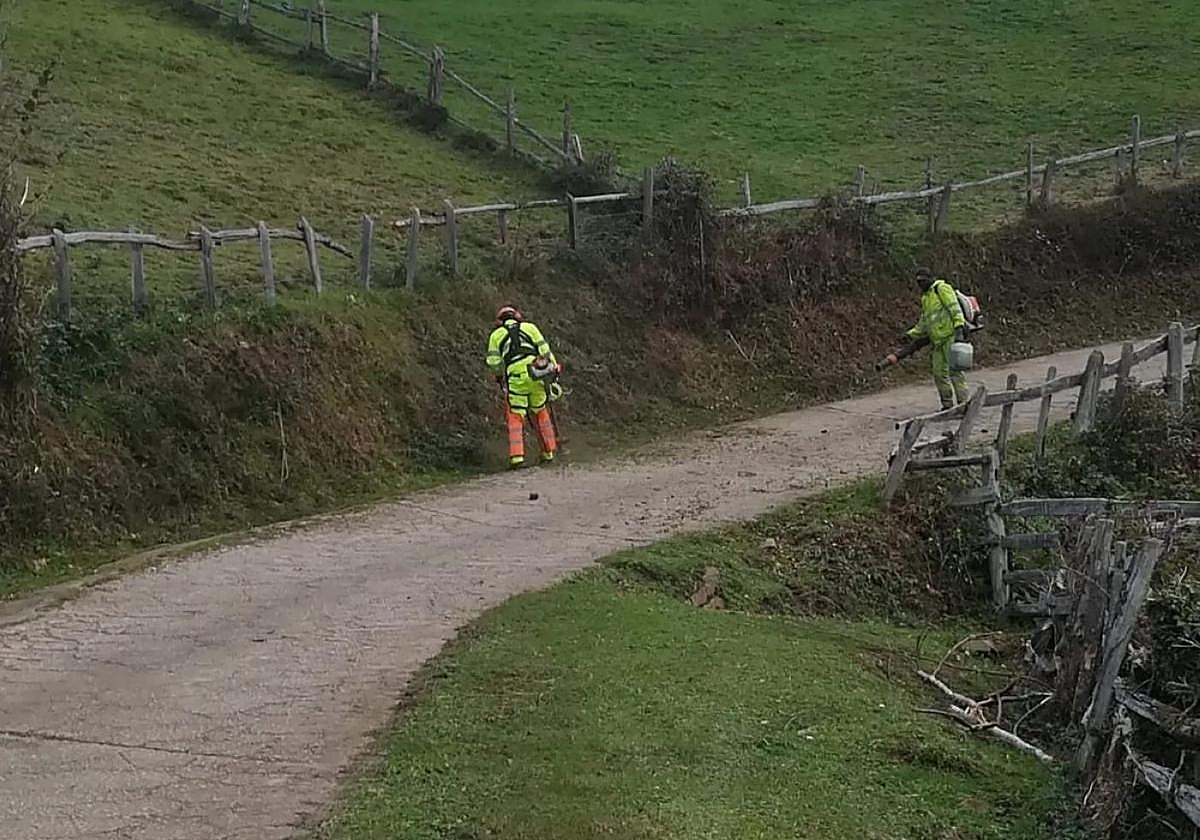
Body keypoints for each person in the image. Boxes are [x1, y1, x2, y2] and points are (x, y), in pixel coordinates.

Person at [486, 305, 560, 468]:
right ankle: (548, 452)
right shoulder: (530, 327)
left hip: (516, 377)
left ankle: (517, 457)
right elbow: (545, 351)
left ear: (499, 321)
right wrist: (554, 369)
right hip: (536, 373)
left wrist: (499, 376)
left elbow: (494, 362)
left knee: (515, 416)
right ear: (517, 316)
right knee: (540, 412)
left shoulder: (496, 335)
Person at [905, 267, 970, 409]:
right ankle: (947, 405)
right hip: (937, 341)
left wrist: (959, 327)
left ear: (930, 278)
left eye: (922, 281)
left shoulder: (941, 288)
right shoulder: (926, 297)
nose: (920, 284)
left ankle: (964, 405)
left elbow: (954, 307)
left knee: (955, 372)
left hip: (950, 337)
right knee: (939, 374)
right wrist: (912, 334)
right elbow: (926, 320)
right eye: (918, 282)